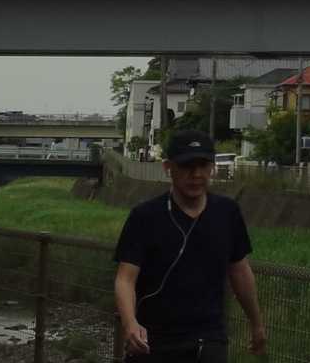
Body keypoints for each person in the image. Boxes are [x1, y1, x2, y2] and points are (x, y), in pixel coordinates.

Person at [114, 130, 268, 361]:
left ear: (212, 167)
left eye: (203, 166)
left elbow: (240, 271)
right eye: (187, 166)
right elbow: (125, 279)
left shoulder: (227, 212)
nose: (196, 174)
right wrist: (130, 323)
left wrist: (256, 323)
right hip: (153, 342)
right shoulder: (145, 216)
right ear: (168, 167)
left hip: (209, 340)